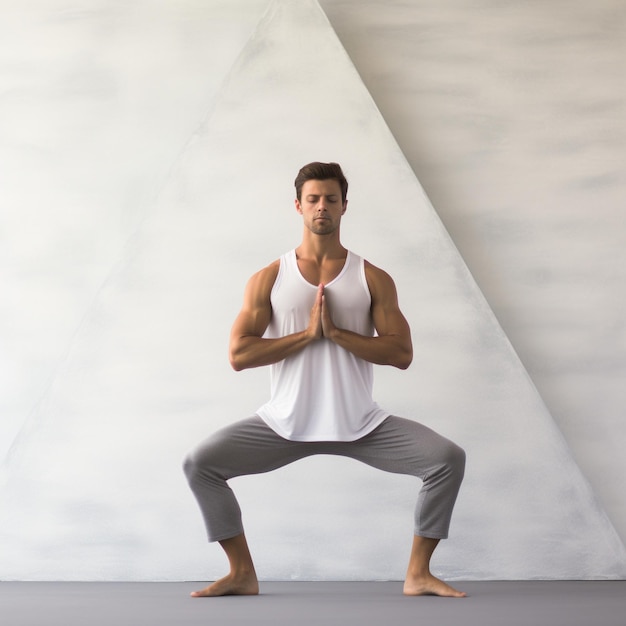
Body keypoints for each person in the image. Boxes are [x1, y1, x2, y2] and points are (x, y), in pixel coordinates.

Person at [183, 162, 466, 598]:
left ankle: (418, 573)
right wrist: (306, 336)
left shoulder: (371, 277)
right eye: (313, 199)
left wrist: (337, 335)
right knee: (201, 463)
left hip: (361, 424)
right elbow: (239, 354)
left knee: (446, 459)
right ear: (298, 206)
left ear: (344, 207)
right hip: (284, 424)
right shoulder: (270, 278)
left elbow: (401, 353)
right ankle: (241, 572)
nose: (322, 207)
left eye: (330, 199)